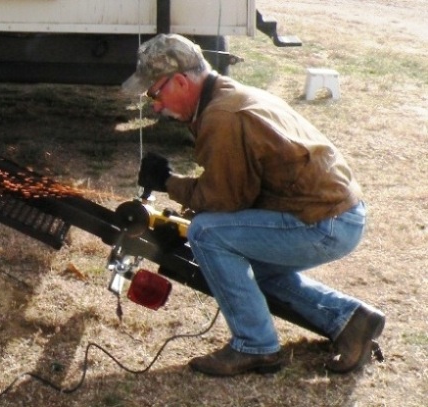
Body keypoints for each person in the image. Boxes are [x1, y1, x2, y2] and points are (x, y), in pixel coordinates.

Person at [121, 33, 385, 377]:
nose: (154, 105)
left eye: (155, 93)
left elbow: (224, 200)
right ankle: (350, 319)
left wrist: (169, 182)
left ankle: (255, 345)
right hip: (335, 215)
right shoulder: (226, 96)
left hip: (326, 224)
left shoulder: (223, 116)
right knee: (240, 260)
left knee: (207, 235)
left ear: (182, 81)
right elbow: (238, 189)